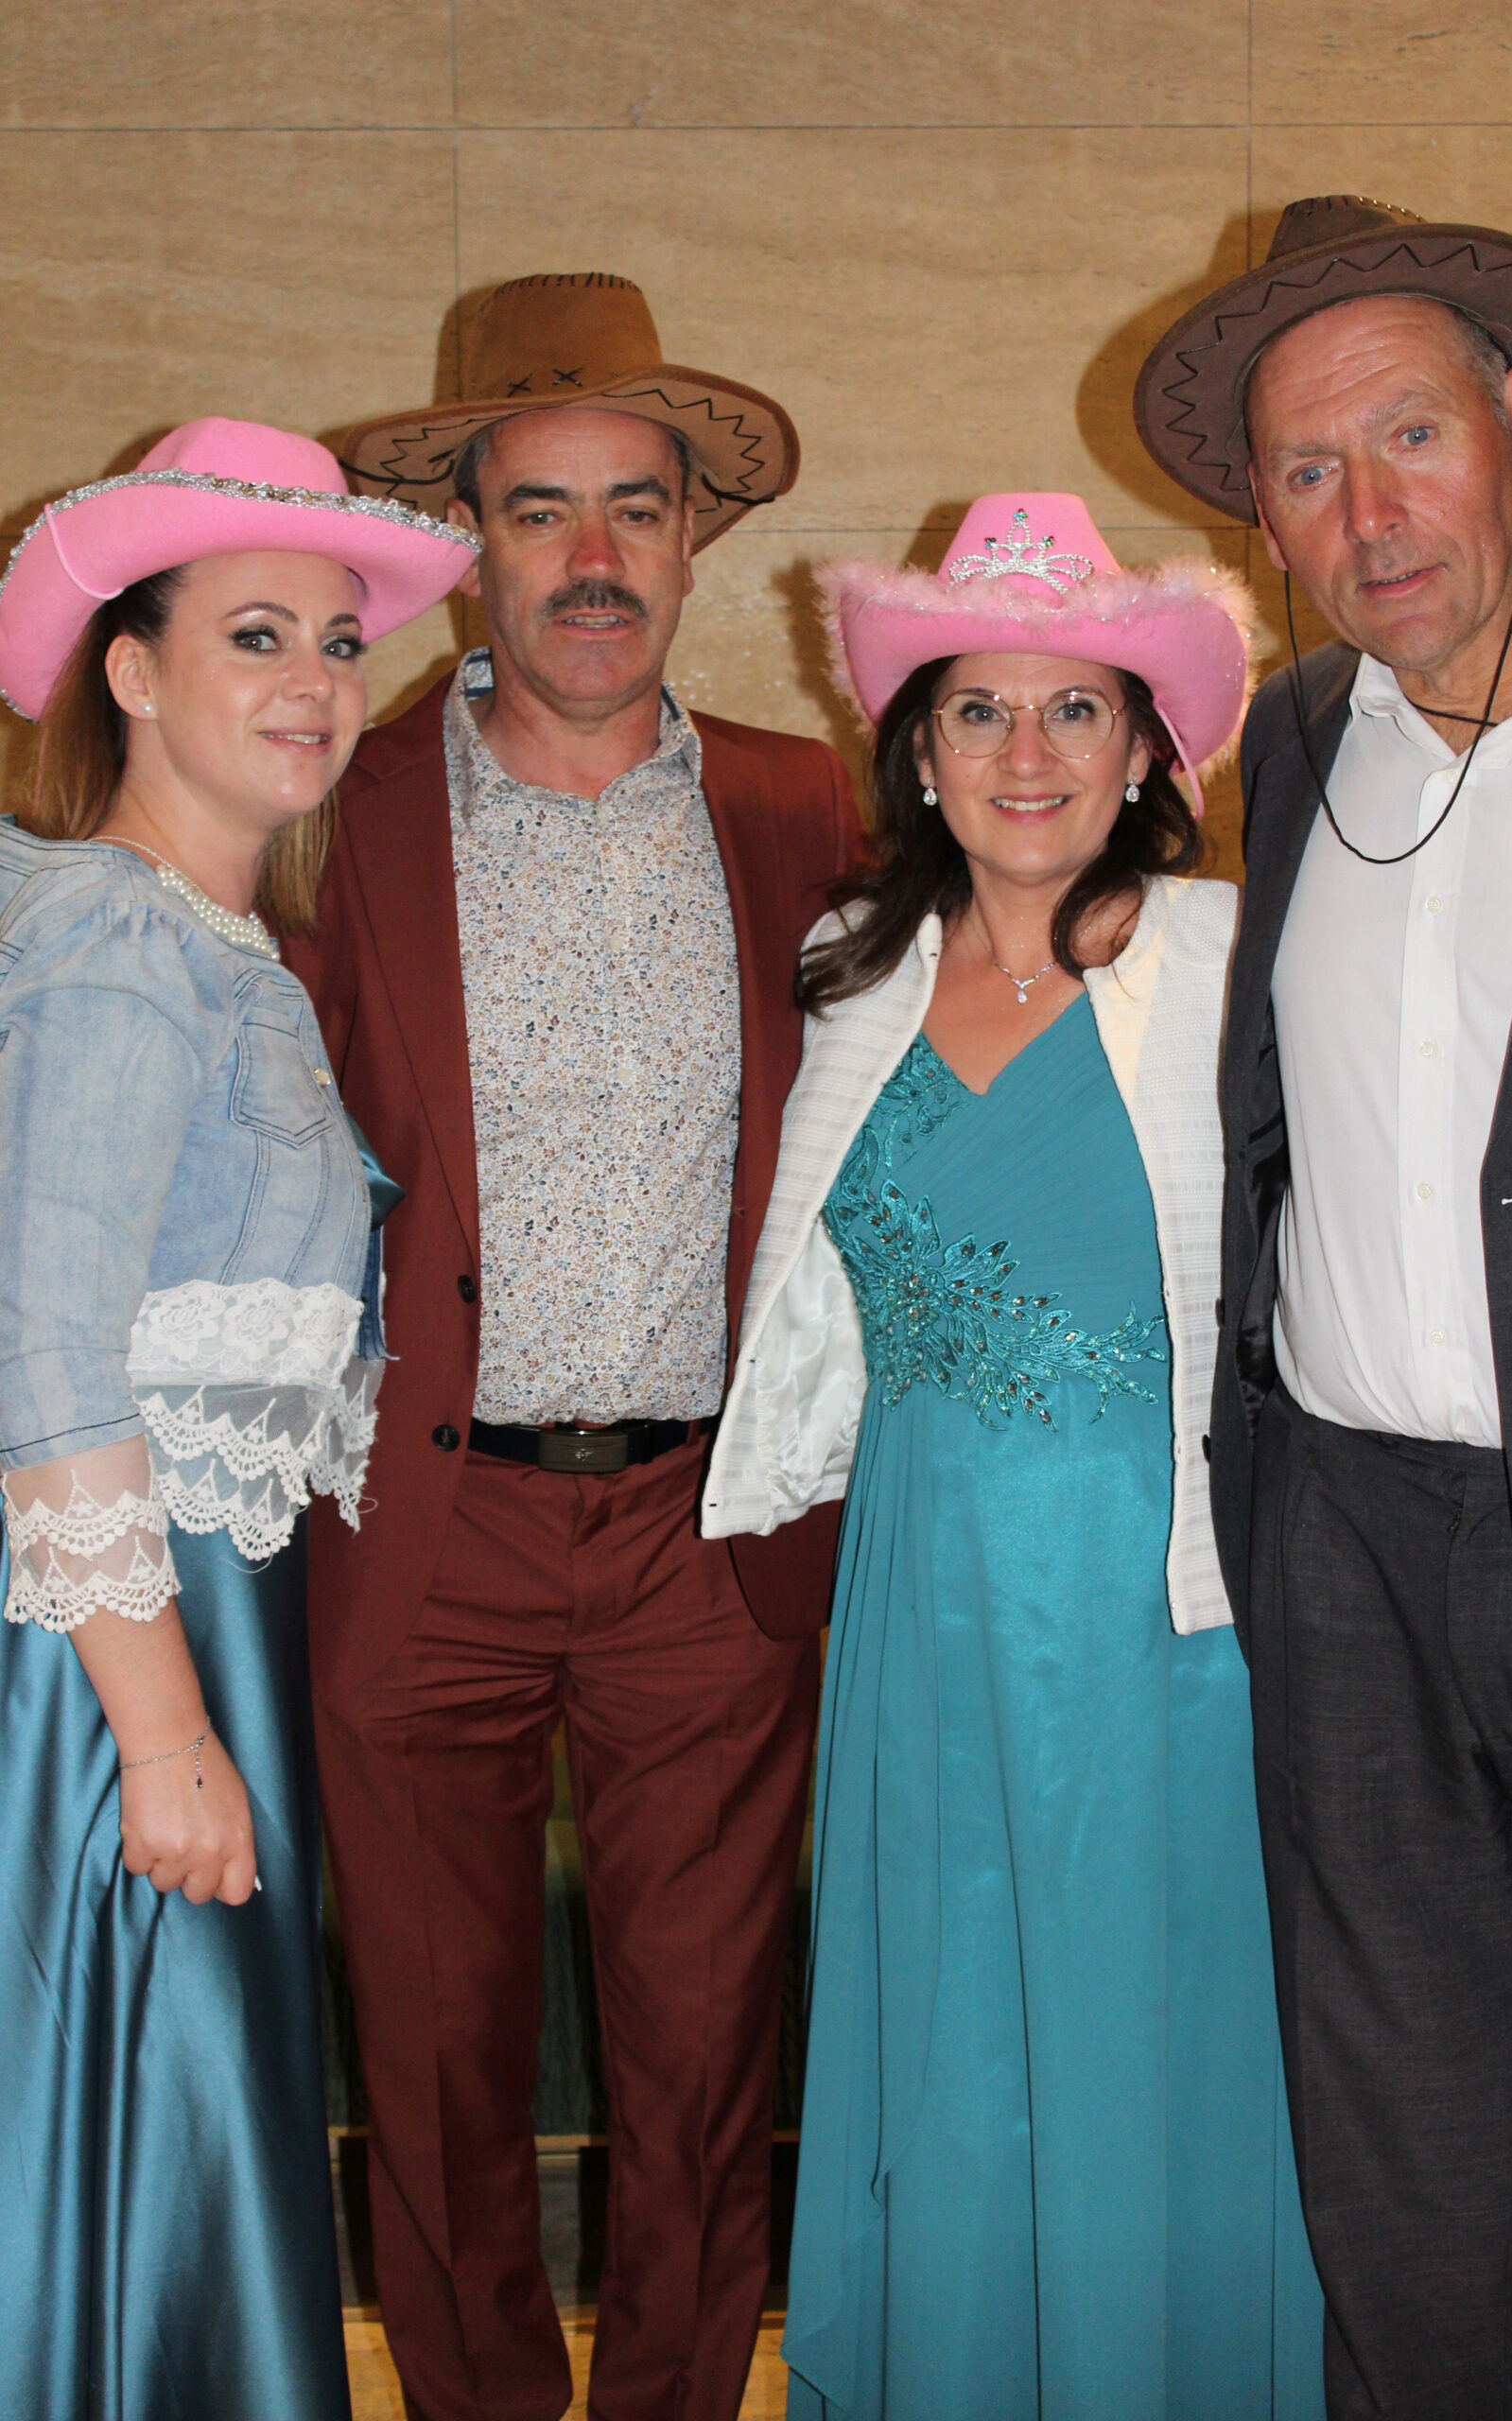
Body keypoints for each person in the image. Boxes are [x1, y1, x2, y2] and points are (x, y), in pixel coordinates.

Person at [283, 272, 862, 2421]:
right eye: (540, 509)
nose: (592, 554)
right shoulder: (333, 808)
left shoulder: (809, 810)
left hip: (704, 1529)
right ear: (467, 545)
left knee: (701, 2064)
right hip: (420, 1520)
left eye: (637, 505)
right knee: (433, 2062)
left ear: (695, 539)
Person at [703, 492, 1325, 2419]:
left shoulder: (1231, 952)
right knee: (954, 2019)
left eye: (1076, 708)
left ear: (1145, 751)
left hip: (1164, 1613)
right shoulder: (847, 968)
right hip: (921, 1606)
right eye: (978, 709)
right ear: (917, 748)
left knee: (1152, 2009)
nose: (1026, 751)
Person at [1136, 195, 1512, 2418]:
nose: (1368, 513)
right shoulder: (1302, 737)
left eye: (1407, 435)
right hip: (1345, 1549)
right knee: (1396, 2165)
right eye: (1307, 472)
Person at [0, 418, 474, 2419]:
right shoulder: (120, 944)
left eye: (340, 642)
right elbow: (41, 1350)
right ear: (130, 668)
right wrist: (166, 1735)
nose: (316, 683)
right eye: (255, 636)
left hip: (195, 1627)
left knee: (178, 2126)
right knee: (143, 2119)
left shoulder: (222, 948)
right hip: (118, 1652)